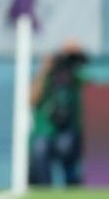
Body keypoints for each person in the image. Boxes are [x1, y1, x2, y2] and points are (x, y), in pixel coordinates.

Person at [29, 43, 87, 186]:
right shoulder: (47, 77)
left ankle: (72, 185)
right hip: (45, 130)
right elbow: (31, 98)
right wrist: (45, 69)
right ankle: (42, 189)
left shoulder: (77, 79)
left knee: (68, 147)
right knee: (40, 150)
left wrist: (77, 63)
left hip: (69, 132)